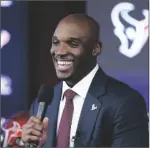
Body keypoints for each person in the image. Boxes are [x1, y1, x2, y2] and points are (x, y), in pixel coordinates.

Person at [22, 13, 149, 148]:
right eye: (56, 42)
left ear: (96, 49)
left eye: (73, 43)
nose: (60, 51)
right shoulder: (42, 104)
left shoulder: (125, 102)